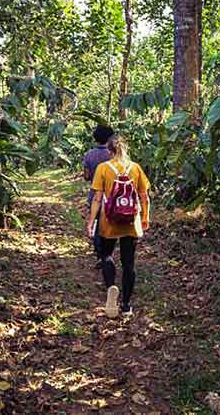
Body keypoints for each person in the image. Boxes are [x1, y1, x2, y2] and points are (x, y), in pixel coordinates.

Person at [87, 135, 150, 318]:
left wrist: (91, 222)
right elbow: (144, 196)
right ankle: (126, 306)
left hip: (109, 221)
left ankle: (111, 289)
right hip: (131, 221)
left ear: (109, 151)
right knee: (129, 263)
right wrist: (145, 217)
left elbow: (98, 198)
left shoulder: (103, 168)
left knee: (106, 255)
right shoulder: (136, 168)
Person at [83, 125, 114, 269]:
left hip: (95, 194)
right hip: (113, 195)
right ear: (110, 139)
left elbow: (87, 176)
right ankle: (108, 255)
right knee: (111, 224)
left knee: (96, 225)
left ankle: (100, 255)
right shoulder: (113, 154)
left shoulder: (89, 154)